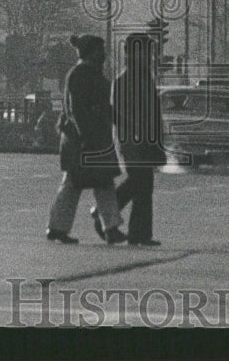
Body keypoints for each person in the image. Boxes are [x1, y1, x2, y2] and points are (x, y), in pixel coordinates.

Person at [46, 35, 127, 245]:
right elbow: (77, 110)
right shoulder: (82, 74)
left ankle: (59, 227)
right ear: (91, 52)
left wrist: (119, 120)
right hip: (85, 139)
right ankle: (108, 228)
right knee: (87, 183)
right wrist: (86, 136)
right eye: (100, 51)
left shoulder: (87, 73)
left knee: (88, 183)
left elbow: (99, 106)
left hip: (87, 138)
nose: (104, 55)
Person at [110, 32, 165, 246]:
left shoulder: (144, 77)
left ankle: (139, 233)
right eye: (146, 51)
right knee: (140, 182)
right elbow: (121, 113)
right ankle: (132, 229)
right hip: (133, 140)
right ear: (134, 53)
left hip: (145, 139)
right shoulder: (124, 80)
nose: (150, 56)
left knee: (143, 184)